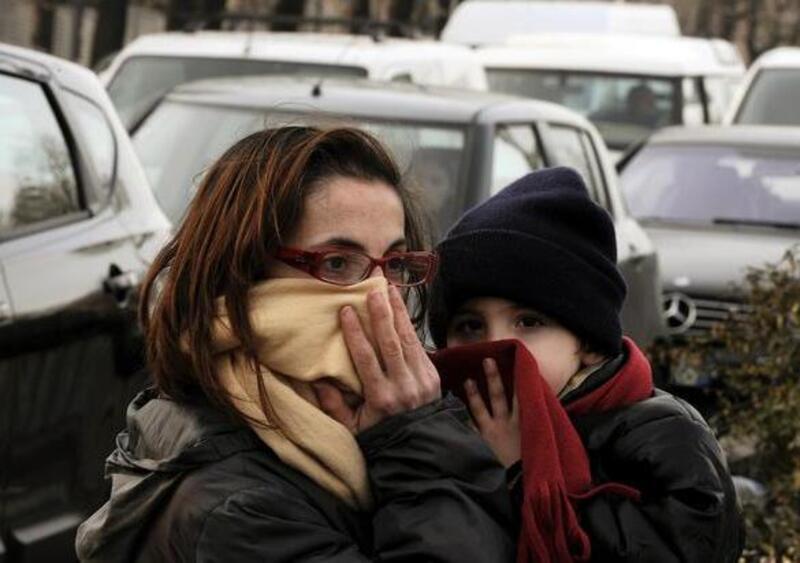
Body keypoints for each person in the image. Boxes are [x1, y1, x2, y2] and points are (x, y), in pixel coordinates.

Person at [75, 126, 515, 562]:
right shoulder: (237, 507)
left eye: (396, 264)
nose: (380, 297)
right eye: (338, 262)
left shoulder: (346, 430)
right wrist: (421, 443)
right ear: (243, 274)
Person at [427, 167, 744, 562]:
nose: (495, 346)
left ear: (588, 343)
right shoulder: (442, 427)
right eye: (471, 326)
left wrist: (520, 473)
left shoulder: (666, 439)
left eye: (529, 323)